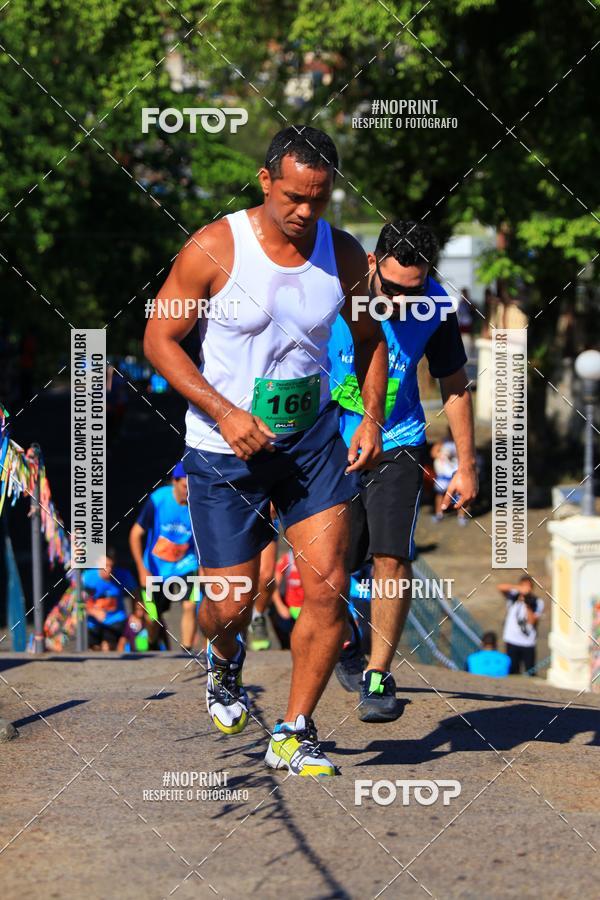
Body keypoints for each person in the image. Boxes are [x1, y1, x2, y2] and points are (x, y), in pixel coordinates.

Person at [143, 125, 387, 776]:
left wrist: (369, 418)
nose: (306, 211)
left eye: (321, 198)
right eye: (295, 198)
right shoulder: (215, 247)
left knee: (330, 584)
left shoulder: (345, 254)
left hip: (310, 442)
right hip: (224, 449)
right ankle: (225, 659)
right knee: (232, 600)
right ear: (266, 181)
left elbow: (372, 339)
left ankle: (295, 729)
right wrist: (224, 413)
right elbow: (160, 340)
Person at [329, 220, 478, 721]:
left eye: (411, 291)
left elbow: (454, 385)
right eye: (390, 289)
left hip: (399, 442)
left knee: (392, 557)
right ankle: (348, 633)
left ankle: (377, 674)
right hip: (331, 441)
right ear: (372, 265)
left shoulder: (433, 305)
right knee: (332, 563)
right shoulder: (335, 287)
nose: (400, 301)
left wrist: (467, 466)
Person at [129, 463, 200, 652]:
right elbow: (135, 534)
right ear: (174, 482)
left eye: (191, 488)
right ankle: (153, 644)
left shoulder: (198, 504)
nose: (188, 492)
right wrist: (142, 569)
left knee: (190, 606)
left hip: (185, 563)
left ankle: (187, 652)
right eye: (185, 486)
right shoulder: (158, 500)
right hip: (155, 567)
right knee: (152, 618)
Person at [83, 551, 134, 651]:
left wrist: (135, 614)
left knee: (108, 648)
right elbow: (77, 602)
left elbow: (135, 593)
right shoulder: (87, 578)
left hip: (115, 619)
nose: (109, 570)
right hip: (93, 622)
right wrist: (93, 611)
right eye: (105, 566)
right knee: (94, 650)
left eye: (111, 566)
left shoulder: (123, 575)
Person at [247, 504, 279, 651]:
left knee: (266, 577)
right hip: (236, 511)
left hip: (264, 512)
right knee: (242, 575)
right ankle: (239, 621)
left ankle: (257, 616)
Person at [498, 576, 544, 675]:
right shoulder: (513, 597)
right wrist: (518, 589)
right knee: (512, 671)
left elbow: (531, 622)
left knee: (530, 672)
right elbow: (500, 587)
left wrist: (527, 603)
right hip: (511, 640)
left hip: (528, 642)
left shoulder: (536, 602)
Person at [431, 433, 468, 525]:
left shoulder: (463, 441)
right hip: (444, 474)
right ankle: (439, 514)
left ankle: (461, 516)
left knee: (461, 495)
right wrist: (441, 455)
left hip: (457, 473)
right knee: (440, 494)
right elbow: (433, 453)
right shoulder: (443, 441)